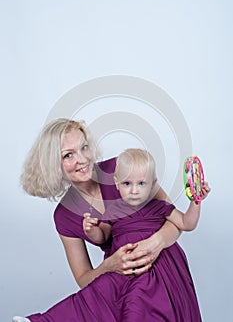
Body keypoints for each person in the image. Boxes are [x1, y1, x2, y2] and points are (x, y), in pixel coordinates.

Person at [13, 118, 181, 322]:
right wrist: (110, 265)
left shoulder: (122, 168)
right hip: (121, 278)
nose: (82, 159)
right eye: (68, 155)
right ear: (53, 165)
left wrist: (154, 245)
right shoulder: (64, 216)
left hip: (163, 265)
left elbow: (175, 219)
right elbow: (84, 278)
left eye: (84, 148)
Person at [82, 148, 211, 321]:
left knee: (155, 309)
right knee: (128, 309)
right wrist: (91, 231)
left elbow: (187, 224)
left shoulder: (159, 206)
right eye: (127, 184)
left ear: (153, 183)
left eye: (141, 183)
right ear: (116, 183)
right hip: (128, 274)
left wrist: (196, 202)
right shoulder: (113, 210)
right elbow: (103, 237)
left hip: (162, 270)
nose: (134, 190)